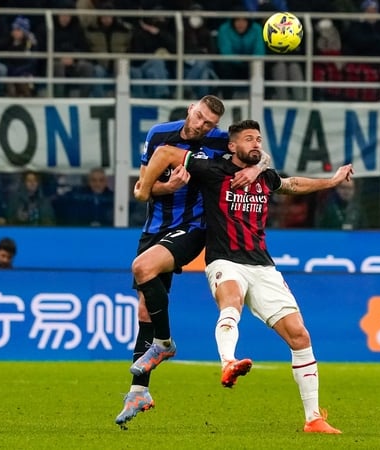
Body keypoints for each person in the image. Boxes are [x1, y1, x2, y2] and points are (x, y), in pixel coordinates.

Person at [132, 119, 348, 434]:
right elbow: (166, 151)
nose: (256, 143)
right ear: (232, 146)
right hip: (225, 260)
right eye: (249, 139)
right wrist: (144, 186)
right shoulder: (212, 170)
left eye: (258, 139)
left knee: (300, 335)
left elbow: (292, 185)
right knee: (231, 304)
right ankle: (228, 362)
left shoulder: (264, 176)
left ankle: (313, 418)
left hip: (263, 266)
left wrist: (331, 181)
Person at [114, 95, 268, 429]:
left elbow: (256, 153)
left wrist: (256, 166)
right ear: (190, 110)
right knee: (144, 308)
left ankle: (164, 344)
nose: (201, 126)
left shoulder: (217, 141)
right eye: (199, 117)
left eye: (209, 123)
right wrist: (168, 186)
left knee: (144, 269)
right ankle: (139, 390)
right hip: (155, 226)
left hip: (194, 226)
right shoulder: (160, 135)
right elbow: (141, 190)